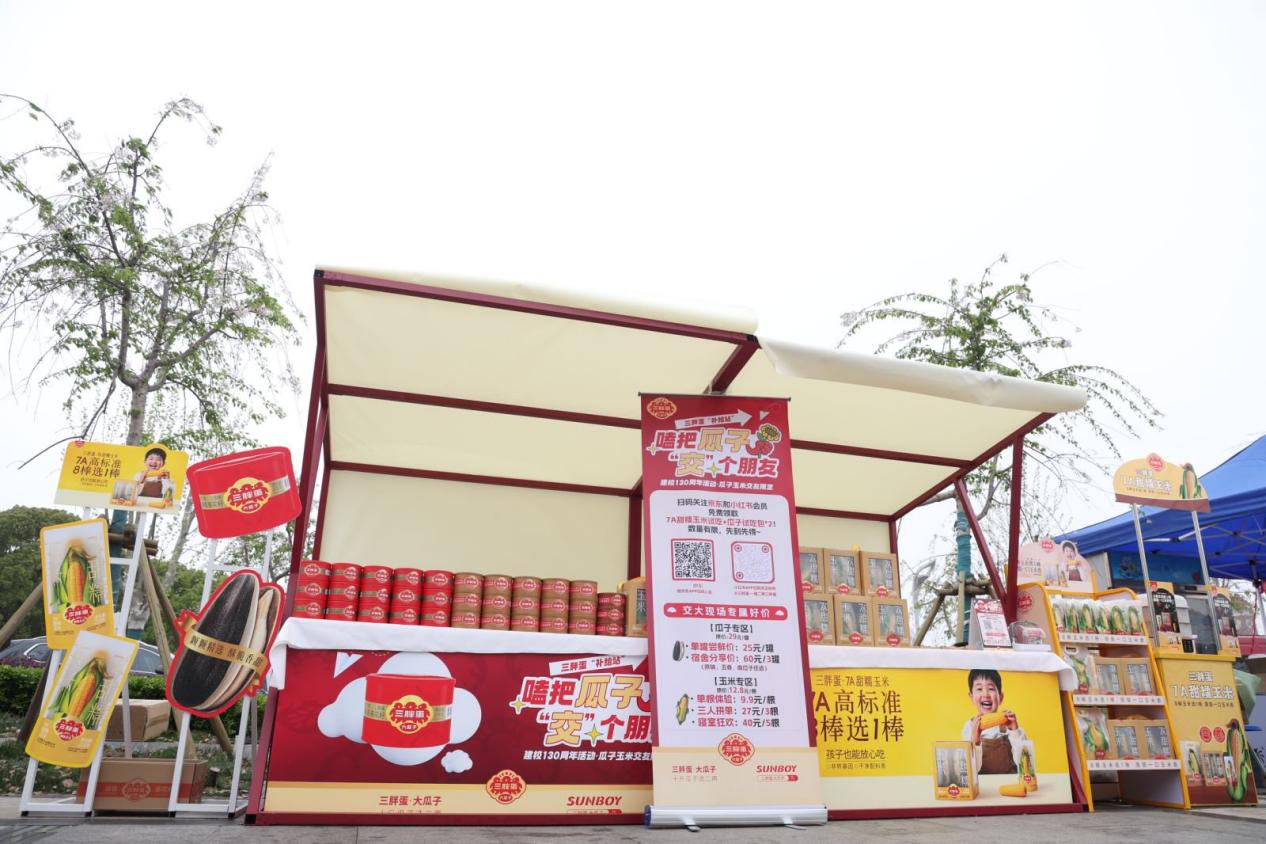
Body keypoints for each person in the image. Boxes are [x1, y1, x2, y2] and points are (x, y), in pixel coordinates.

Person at [962, 668, 1026, 775]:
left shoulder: (1010, 725)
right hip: (983, 783)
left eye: (991, 689)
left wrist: (1015, 731)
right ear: (971, 697)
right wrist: (975, 741)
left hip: (1009, 780)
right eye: (979, 689)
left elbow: (1024, 763)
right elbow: (969, 769)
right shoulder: (969, 727)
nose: (985, 694)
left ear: (1000, 697)